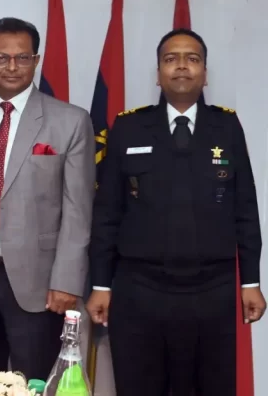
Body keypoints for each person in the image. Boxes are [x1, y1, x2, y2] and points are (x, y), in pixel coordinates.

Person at [86, 28, 266, 395]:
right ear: (158, 74)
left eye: (192, 59)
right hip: (140, 288)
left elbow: (245, 209)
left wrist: (251, 282)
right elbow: (107, 214)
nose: (181, 66)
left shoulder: (226, 126)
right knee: (139, 386)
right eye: (171, 59)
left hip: (212, 290)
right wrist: (101, 284)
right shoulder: (129, 127)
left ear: (204, 73)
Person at [0, 18, 94, 380]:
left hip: (40, 282)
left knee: (34, 383)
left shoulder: (70, 121)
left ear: (36, 60)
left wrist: (67, 281)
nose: (12, 67)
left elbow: (78, 210)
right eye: (2, 57)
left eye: (23, 57)